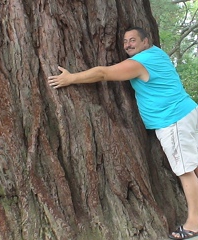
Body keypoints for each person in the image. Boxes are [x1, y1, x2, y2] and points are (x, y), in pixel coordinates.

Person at [48, 26, 198, 239]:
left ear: (146, 41)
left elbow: (103, 73)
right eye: (125, 41)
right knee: (194, 165)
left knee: (185, 170)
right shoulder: (157, 54)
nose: (127, 44)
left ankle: (194, 224)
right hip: (188, 112)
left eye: (133, 40)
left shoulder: (141, 62)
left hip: (172, 120)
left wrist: (71, 79)